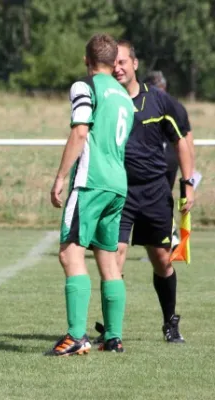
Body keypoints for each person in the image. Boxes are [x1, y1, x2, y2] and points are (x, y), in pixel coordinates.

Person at [46, 33, 134, 356]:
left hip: (91, 182)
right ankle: (113, 337)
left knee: (70, 253)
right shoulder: (124, 96)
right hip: (117, 185)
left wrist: (60, 176)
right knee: (108, 260)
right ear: (114, 62)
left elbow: (81, 131)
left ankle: (76, 336)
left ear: (87, 60)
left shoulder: (85, 86)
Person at [105, 40, 195, 344]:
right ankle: (112, 330)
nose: (117, 68)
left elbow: (182, 139)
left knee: (161, 259)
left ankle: (170, 322)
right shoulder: (105, 99)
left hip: (155, 192)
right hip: (118, 191)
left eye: (122, 62)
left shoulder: (159, 101)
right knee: (114, 256)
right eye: (112, 63)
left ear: (135, 64)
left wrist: (188, 184)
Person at [144, 70, 196, 249]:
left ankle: (165, 240)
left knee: (155, 203)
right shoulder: (178, 105)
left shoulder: (149, 103)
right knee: (163, 200)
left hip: (154, 161)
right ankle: (167, 238)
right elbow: (188, 140)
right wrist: (189, 171)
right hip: (173, 160)